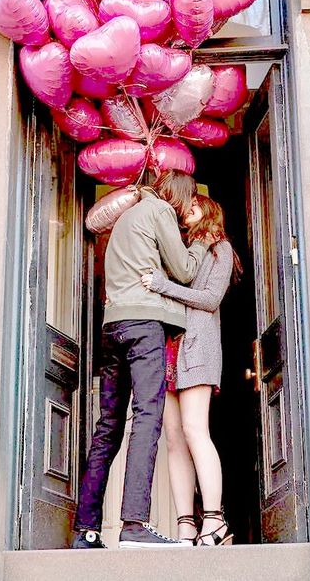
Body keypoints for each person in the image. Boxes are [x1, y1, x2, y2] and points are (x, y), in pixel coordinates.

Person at [72, 170, 209, 550]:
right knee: (148, 418)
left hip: (112, 325)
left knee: (109, 427)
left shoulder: (125, 218)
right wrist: (197, 245)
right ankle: (134, 524)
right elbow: (185, 269)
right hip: (143, 324)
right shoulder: (160, 210)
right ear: (179, 196)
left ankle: (86, 530)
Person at [141, 194, 242, 547]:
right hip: (169, 348)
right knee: (173, 438)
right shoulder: (181, 251)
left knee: (194, 429)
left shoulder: (220, 250)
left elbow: (211, 299)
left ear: (210, 210)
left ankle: (214, 521)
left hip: (198, 349)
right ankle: (186, 525)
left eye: (194, 206)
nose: (186, 212)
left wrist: (164, 285)